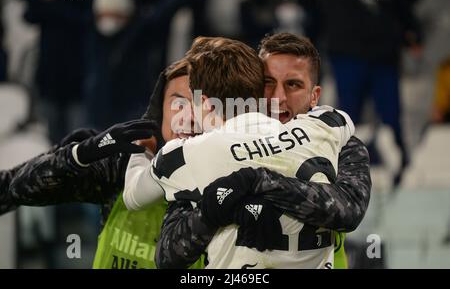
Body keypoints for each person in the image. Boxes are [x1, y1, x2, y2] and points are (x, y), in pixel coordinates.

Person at [6, 35, 370, 269]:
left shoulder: (326, 148)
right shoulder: (119, 164)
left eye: (292, 85)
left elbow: (347, 209)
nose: (190, 118)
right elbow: (8, 191)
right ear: (157, 110)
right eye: (180, 103)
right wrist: (78, 154)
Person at [123, 37, 357, 268]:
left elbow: (132, 197)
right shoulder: (324, 126)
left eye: (293, 84)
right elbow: (342, 121)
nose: (279, 98)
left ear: (205, 102)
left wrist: (143, 143)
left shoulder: (185, 155)